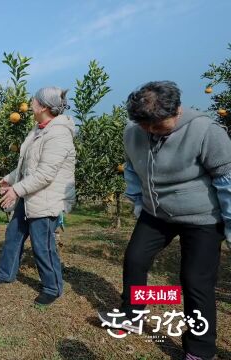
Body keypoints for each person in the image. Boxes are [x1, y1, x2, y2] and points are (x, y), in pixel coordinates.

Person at [98, 81, 231, 360]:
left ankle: (200, 350)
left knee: (195, 280)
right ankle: (132, 314)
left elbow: (226, 181)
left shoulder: (206, 131)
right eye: (145, 126)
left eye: (158, 126)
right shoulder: (134, 133)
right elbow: (133, 170)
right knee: (135, 259)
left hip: (202, 218)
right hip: (156, 214)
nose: (151, 132)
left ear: (178, 110)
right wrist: (138, 202)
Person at [0, 87, 76, 307]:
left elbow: (45, 174)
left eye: (34, 101)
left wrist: (16, 190)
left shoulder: (59, 134)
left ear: (43, 106)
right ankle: (6, 273)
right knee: (13, 234)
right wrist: (10, 179)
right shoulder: (37, 129)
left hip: (46, 198)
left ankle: (52, 287)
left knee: (42, 245)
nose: (30, 103)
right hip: (29, 195)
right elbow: (27, 166)